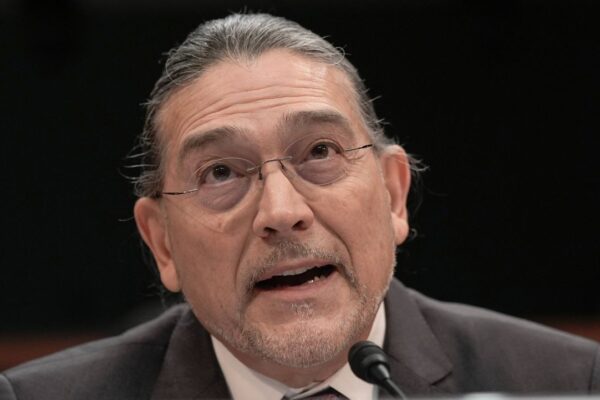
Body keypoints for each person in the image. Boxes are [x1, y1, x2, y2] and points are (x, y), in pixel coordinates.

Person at [1, 13, 598, 400]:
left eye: (318, 151)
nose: (281, 211)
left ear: (393, 194)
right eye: (220, 173)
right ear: (162, 243)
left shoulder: (567, 383)